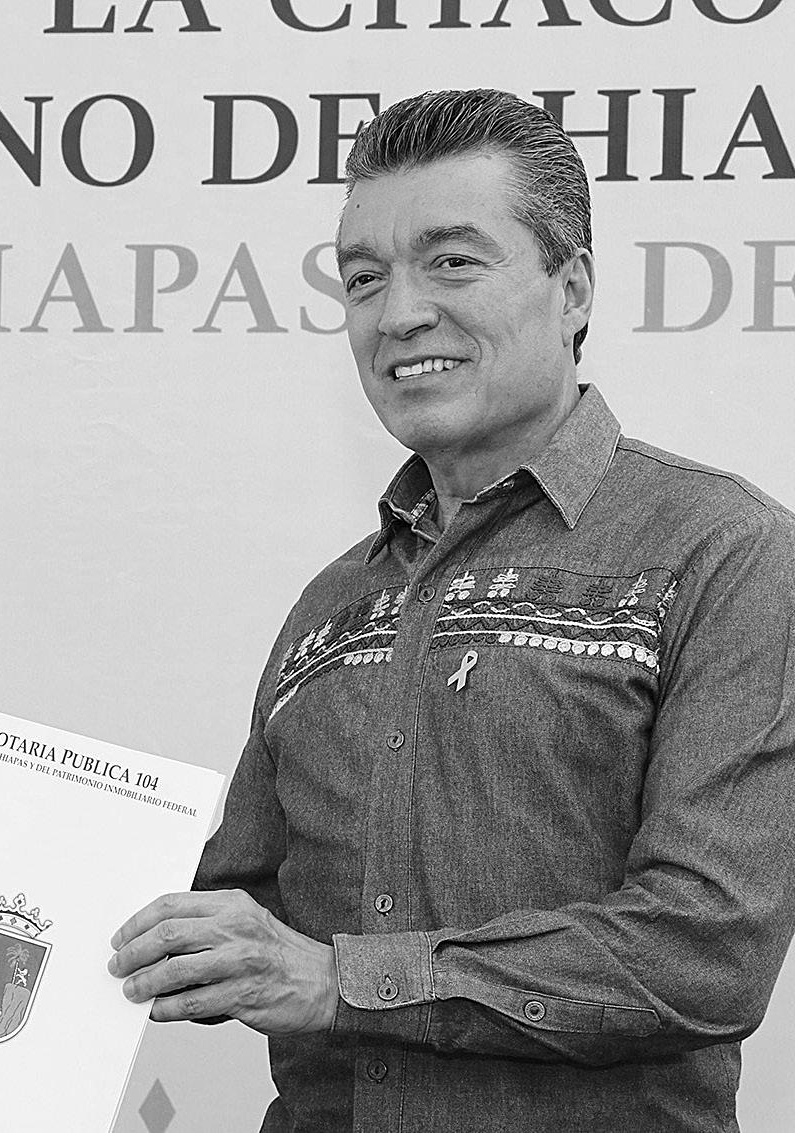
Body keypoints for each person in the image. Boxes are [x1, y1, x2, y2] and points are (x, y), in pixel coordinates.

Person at [108, 88, 795, 1130]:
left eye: (453, 262)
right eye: (363, 278)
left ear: (573, 289)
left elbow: (703, 952)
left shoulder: (722, 551)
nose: (398, 313)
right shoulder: (334, 601)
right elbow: (234, 918)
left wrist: (343, 981)